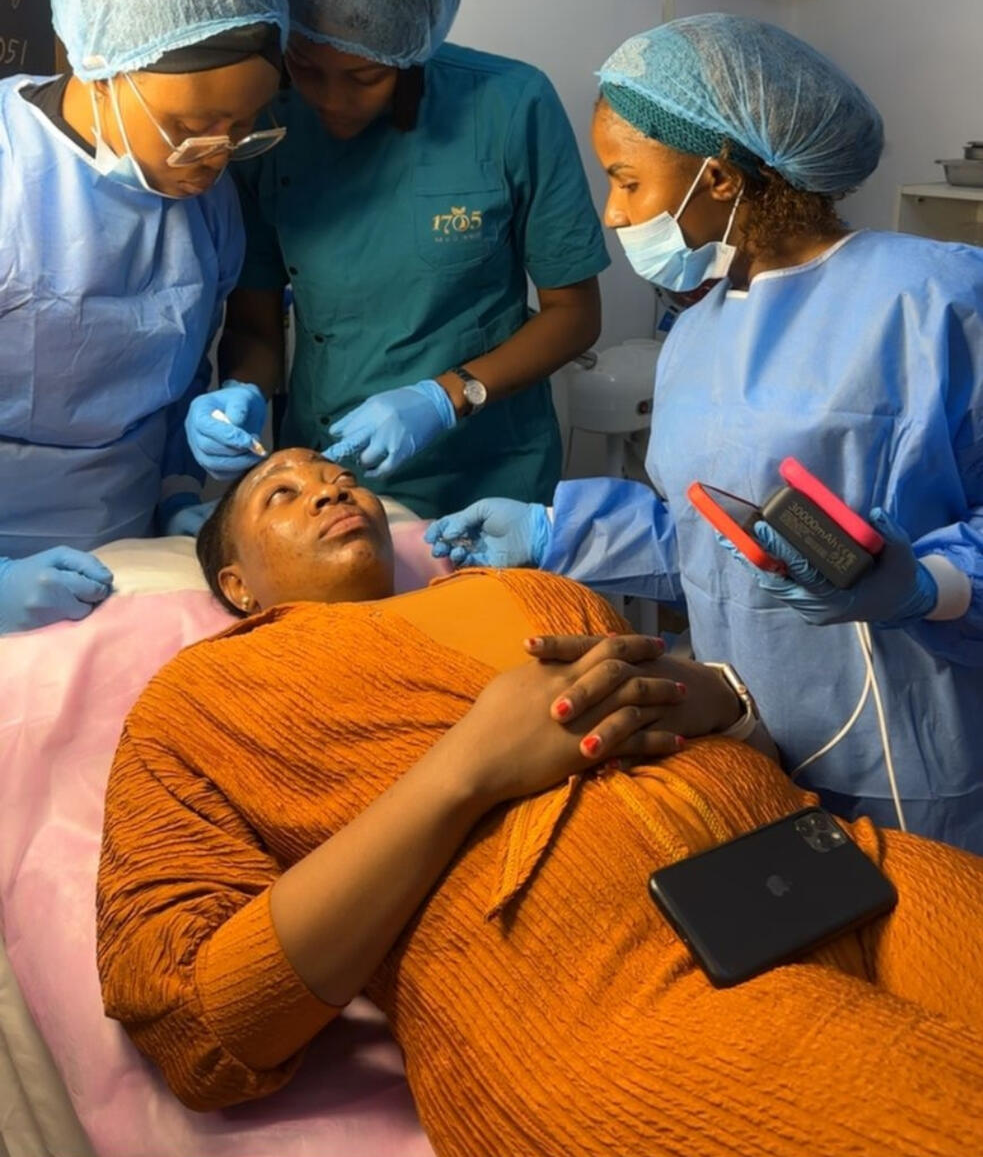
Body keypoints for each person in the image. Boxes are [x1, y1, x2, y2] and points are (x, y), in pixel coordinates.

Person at [96, 448, 983, 1155]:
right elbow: (195, 1021)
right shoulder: (198, 698)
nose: (330, 486)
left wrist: (717, 695)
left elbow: (728, 741)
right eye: (281, 495)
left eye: (337, 473)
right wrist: (462, 771)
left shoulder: (533, 591)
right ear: (236, 584)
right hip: (605, 998)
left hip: (834, 867)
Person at [426, 13, 983, 854]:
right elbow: (708, 537)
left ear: (717, 177)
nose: (612, 213)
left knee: (929, 919)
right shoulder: (696, 333)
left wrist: (928, 585)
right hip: (750, 737)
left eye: (626, 181)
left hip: (918, 749)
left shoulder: (937, 300)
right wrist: (554, 528)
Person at [184, 0, 608, 517]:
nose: (330, 100)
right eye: (306, 68)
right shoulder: (267, 122)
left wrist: (449, 396)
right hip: (331, 480)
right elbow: (255, 326)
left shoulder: (510, 106)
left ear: (414, 53)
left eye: (364, 77)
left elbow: (574, 315)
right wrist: (240, 391)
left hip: (489, 480)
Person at [0, 0, 289, 634]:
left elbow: (181, 372)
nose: (217, 155)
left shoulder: (207, 201)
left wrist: (178, 488)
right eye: (191, 127)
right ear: (100, 71)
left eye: (241, 128)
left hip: (131, 549)